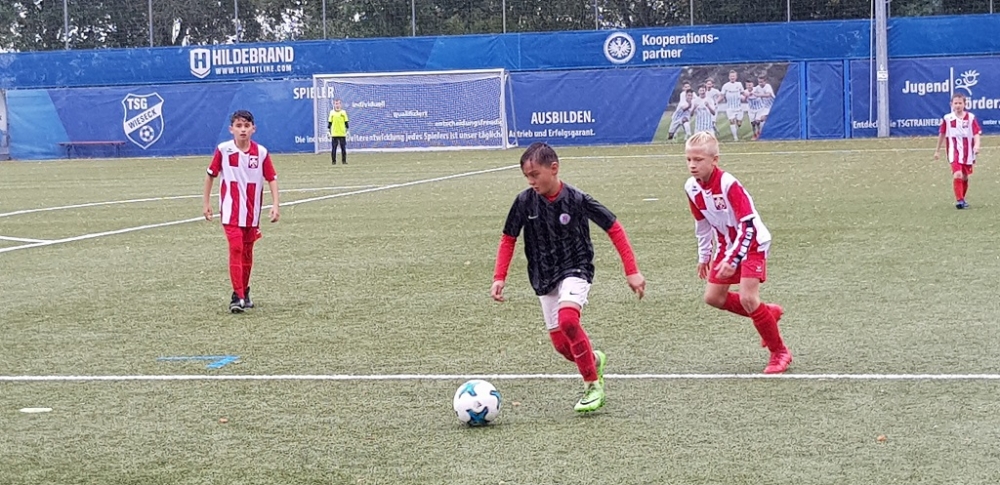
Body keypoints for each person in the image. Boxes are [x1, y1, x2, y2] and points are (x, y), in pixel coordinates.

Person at [491, 142, 646, 413]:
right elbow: (508, 238)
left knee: (568, 320)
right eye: (527, 176)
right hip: (543, 275)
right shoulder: (524, 201)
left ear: (554, 168)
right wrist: (499, 276)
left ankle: (592, 386)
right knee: (563, 346)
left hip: (576, 268)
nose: (531, 181)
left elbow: (614, 227)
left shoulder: (576, 199)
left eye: (535, 174)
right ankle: (593, 361)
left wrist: (631, 270)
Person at [683, 131, 792, 373]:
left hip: (752, 243)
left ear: (715, 160)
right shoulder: (691, 187)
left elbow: (748, 225)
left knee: (747, 298)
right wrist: (704, 255)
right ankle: (767, 313)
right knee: (713, 298)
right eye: (689, 159)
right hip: (726, 244)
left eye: (698, 160)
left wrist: (734, 259)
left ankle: (779, 352)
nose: (692, 165)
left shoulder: (728, 184)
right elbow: (702, 223)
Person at [202, 110, 280, 313]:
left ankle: (244, 290)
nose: (242, 130)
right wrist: (206, 203)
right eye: (238, 126)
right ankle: (237, 296)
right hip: (230, 212)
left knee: (247, 253)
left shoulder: (261, 153)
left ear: (253, 129)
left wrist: (275, 205)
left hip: (252, 214)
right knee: (235, 248)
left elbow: (271, 178)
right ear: (231, 129)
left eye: (246, 126)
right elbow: (210, 175)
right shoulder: (224, 150)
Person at [934, 93, 981, 209]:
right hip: (953, 151)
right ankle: (959, 200)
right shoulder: (947, 118)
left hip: (968, 152)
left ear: (965, 104)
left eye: (960, 103)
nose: (958, 105)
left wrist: (977, 145)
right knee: (958, 174)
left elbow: (976, 133)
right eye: (956, 103)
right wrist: (937, 150)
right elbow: (942, 134)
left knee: (964, 177)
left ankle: (962, 198)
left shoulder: (971, 117)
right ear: (951, 104)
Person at [720, 70, 745, 141]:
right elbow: (722, 95)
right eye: (731, 76)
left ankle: (738, 126)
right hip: (730, 108)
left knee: (739, 123)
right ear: (729, 77)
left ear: (736, 77)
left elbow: (743, 93)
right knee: (732, 121)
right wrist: (716, 102)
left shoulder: (739, 84)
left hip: (739, 107)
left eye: (733, 76)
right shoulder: (725, 86)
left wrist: (746, 96)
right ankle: (735, 137)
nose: (732, 78)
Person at [327, 99, 349, 165]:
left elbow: (346, 123)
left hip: (342, 133)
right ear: (334, 105)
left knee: (343, 148)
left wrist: (347, 131)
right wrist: (328, 131)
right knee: (334, 148)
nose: (337, 105)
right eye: (336, 104)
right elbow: (330, 123)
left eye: (338, 104)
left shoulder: (343, 112)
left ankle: (344, 161)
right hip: (334, 134)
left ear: (340, 105)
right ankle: (333, 161)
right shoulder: (332, 113)